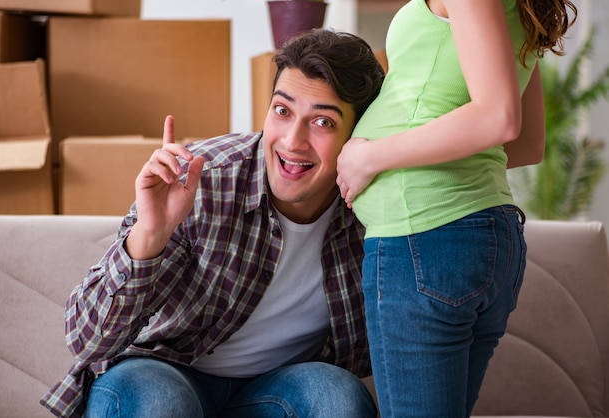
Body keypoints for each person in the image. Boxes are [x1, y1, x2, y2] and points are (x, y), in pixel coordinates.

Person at [40, 28, 385, 418]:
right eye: (282, 111)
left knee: (337, 397)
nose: (292, 141)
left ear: (357, 137)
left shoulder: (373, 210)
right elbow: (85, 340)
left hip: (273, 392)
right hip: (162, 373)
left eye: (322, 122)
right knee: (160, 402)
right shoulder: (203, 178)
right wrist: (150, 234)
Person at [335, 1, 577, 417]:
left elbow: (500, 120)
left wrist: (370, 157)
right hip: (483, 236)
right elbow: (528, 143)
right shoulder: (527, 11)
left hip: (424, 237)